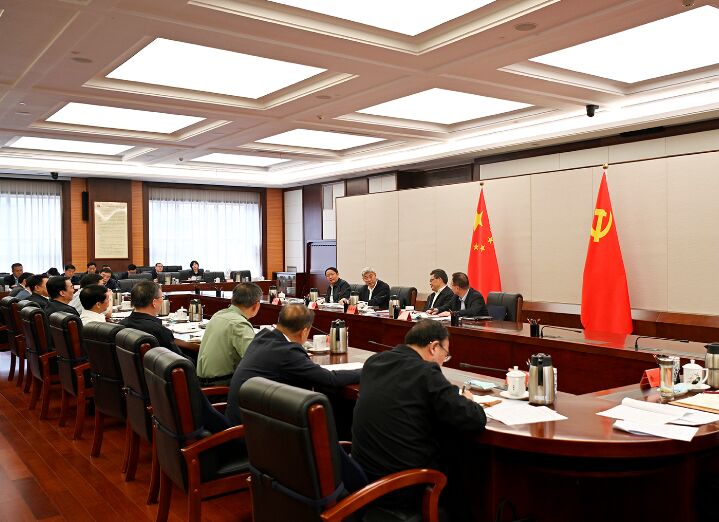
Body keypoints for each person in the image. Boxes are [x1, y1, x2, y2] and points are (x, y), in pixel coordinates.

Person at [351, 320, 487, 519]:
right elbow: (474, 418)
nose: (443, 361)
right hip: (403, 487)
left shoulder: (374, 362)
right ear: (434, 347)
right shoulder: (426, 372)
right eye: (445, 354)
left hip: (364, 478)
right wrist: (467, 400)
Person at [225, 303, 361, 426]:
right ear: (304, 332)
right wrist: (365, 370)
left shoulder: (263, 337)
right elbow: (330, 379)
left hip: (243, 418)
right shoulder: (287, 352)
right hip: (254, 429)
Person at [197, 283, 261, 386]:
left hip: (202, 383)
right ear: (256, 305)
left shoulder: (218, 315)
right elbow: (255, 359)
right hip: (221, 385)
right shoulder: (239, 324)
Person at [119, 281, 182, 356]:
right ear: (154, 302)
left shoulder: (121, 325)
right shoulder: (160, 332)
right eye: (162, 297)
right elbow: (179, 359)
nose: (163, 300)